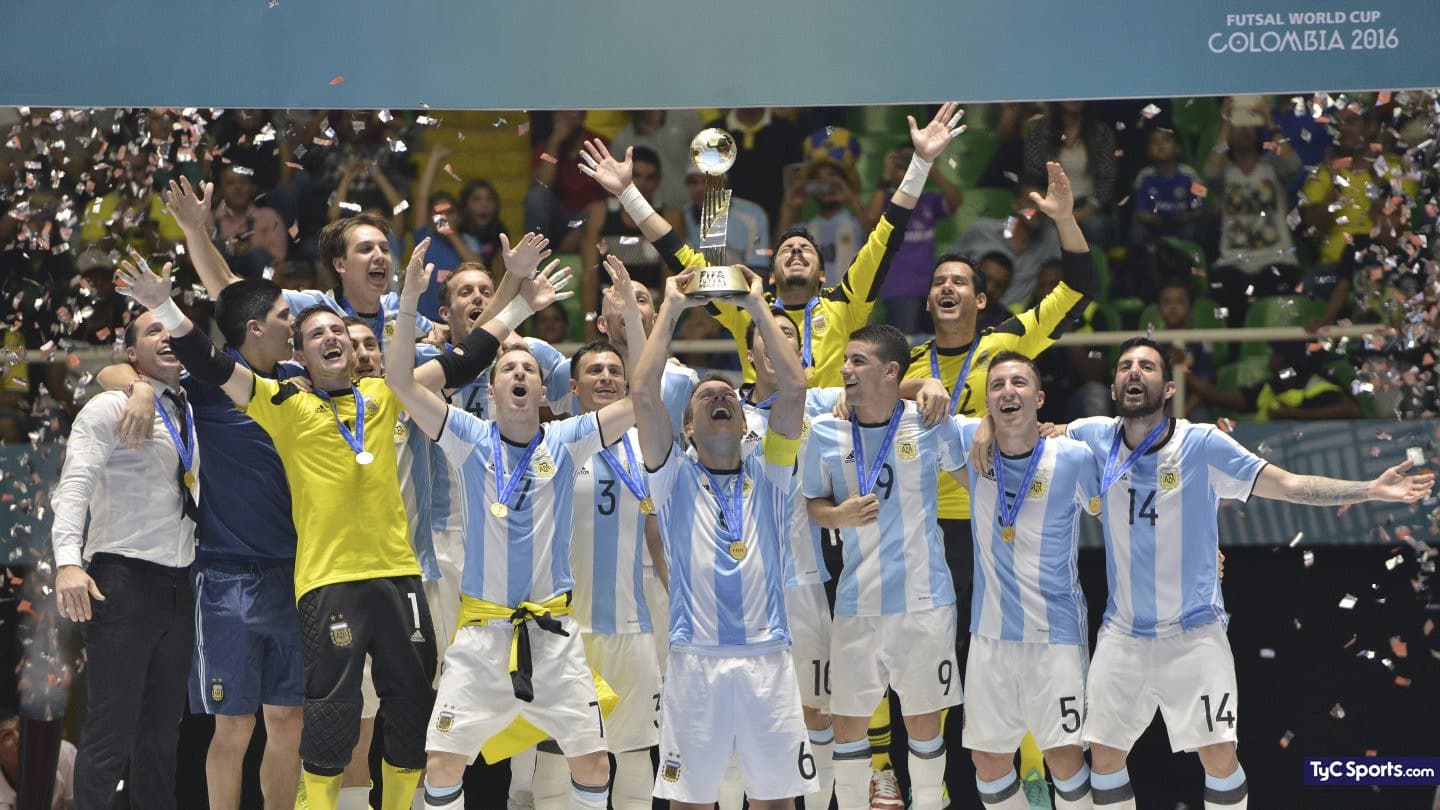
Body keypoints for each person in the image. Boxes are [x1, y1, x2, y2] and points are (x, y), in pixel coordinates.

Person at [112, 242, 554, 810]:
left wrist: (520, 304)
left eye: (338, 333)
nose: (330, 339)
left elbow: (466, 359)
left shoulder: (388, 391)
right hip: (328, 583)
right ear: (299, 351)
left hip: (400, 578)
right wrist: (165, 307)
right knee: (328, 722)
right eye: (315, 333)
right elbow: (212, 363)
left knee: (412, 711)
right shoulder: (281, 404)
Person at [1059, 337, 1434, 810]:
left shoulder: (1201, 444)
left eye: (1148, 366)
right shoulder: (1091, 434)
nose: (1135, 372)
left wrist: (1370, 489)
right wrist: (986, 432)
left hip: (1194, 631)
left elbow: (1292, 485)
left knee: (1219, 755)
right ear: (1114, 386)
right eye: (1126, 366)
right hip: (1122, 631)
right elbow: (1032, 432)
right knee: (1106, 756)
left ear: (1168, 386)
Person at [384, 247, 634, 810]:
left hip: (553, 637)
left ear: (545, 395)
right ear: (490, 392)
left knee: (594, 762)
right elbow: (399, 381)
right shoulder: (469, 437)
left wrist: (635, 320)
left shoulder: (568, 439)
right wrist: (407, 304)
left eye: (528, 370)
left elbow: (642, 396)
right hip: (480, 635)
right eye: (506, 370)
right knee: (444, 763)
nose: (518, 373)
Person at [899, 162, 1098, 803]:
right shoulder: (906, 360)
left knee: (1021, 654)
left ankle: (1040, 777)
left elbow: (1078, 289)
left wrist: (1064, 218)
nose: (949, 288)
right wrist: (915, 384)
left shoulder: (1007, 343)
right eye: (939, 283)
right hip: (925, 534)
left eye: (962, 282)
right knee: (929, 671)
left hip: (998, 526)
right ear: (930, 302)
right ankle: (915, 784)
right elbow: (849, 389)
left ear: (982, 301)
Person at [580, 102, 967, 386]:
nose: (797, 251)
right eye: (786, 250)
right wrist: (627, 193)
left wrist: (921, 164)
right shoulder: (745, 308)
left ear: (822, 273)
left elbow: (887, 234)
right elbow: (677, 251)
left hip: (829, 432)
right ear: (771, 273)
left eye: (806, 249)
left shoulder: (846, 304)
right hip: (761, 433)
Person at [633, 266, 816, 809]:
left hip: (768, 657)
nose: (720, 398)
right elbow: (642, 391)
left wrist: (759, 304)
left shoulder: (772, 471)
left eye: (729, 398)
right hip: (696, 660)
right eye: (705, 397)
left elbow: (796, 386)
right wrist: (670, 305)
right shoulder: (671, 475)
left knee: (777, 800)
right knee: (692, 801)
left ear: (743, 424)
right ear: (686, 428)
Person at [804, 324, 972, 810]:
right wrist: (837, 515)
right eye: (846, 360)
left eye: (857, 361)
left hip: (925, 602)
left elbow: (978, 471)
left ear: (890, 371)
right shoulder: (825, 428)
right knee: (849, 727)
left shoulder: (930, 423)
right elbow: (812, 501)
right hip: (856, 603)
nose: (845, 369)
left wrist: (931, 386)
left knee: (923, 725)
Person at [50, 308, 201, 810]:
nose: (166, 336)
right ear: (131, 354)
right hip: (122, 579)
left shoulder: (194, 409)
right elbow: (74, 486)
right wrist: (68, 561)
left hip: (182, 583)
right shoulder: (108, 407)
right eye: (151, 330)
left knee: (162, 735)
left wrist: (145, 389)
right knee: (110, 729)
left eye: (170, 327)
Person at [531, 262, 663, 810]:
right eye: (594, 372)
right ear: (573, 388)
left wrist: (632, 317)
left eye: (615, 370)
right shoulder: (551, 444)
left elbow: (657, 528)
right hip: (565, 629)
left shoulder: (648, 444)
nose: (607, 377)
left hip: (632, 625)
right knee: (558, 754)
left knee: (633, 754)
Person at [950, 352, 1101, 810]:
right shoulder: (969, 442)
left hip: (1054, 635)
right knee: (989, 762)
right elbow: (911, 400)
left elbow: (1123, 506)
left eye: (1018, 383)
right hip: (990, 635)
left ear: (1038, 399)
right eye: (996, 385)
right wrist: (981, 425)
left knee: (1064, 759)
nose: (1007, 391)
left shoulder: (1074, 457)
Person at [164, 178, 433, 351]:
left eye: (384, 248)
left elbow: (453, 333)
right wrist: (195, 231)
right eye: (365, 248)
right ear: (340, 264)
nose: (380, 255)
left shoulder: (399, 308)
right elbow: (228, 290)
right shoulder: (310, 307)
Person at [579, 145, 684, 332]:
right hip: (609, 308)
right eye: (636, 175)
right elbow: (589, 274)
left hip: (652, 308)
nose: (642, 184)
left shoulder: (670, 216)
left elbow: (671, 277)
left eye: (650, 177)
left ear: (658, 182)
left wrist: (660, 327)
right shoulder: (600, 213)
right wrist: (590, 328)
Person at [0, 706, 75, 810]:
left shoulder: (63, 754)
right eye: (7, 736)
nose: (19, 738)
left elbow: (86, 804)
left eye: (20, 728)